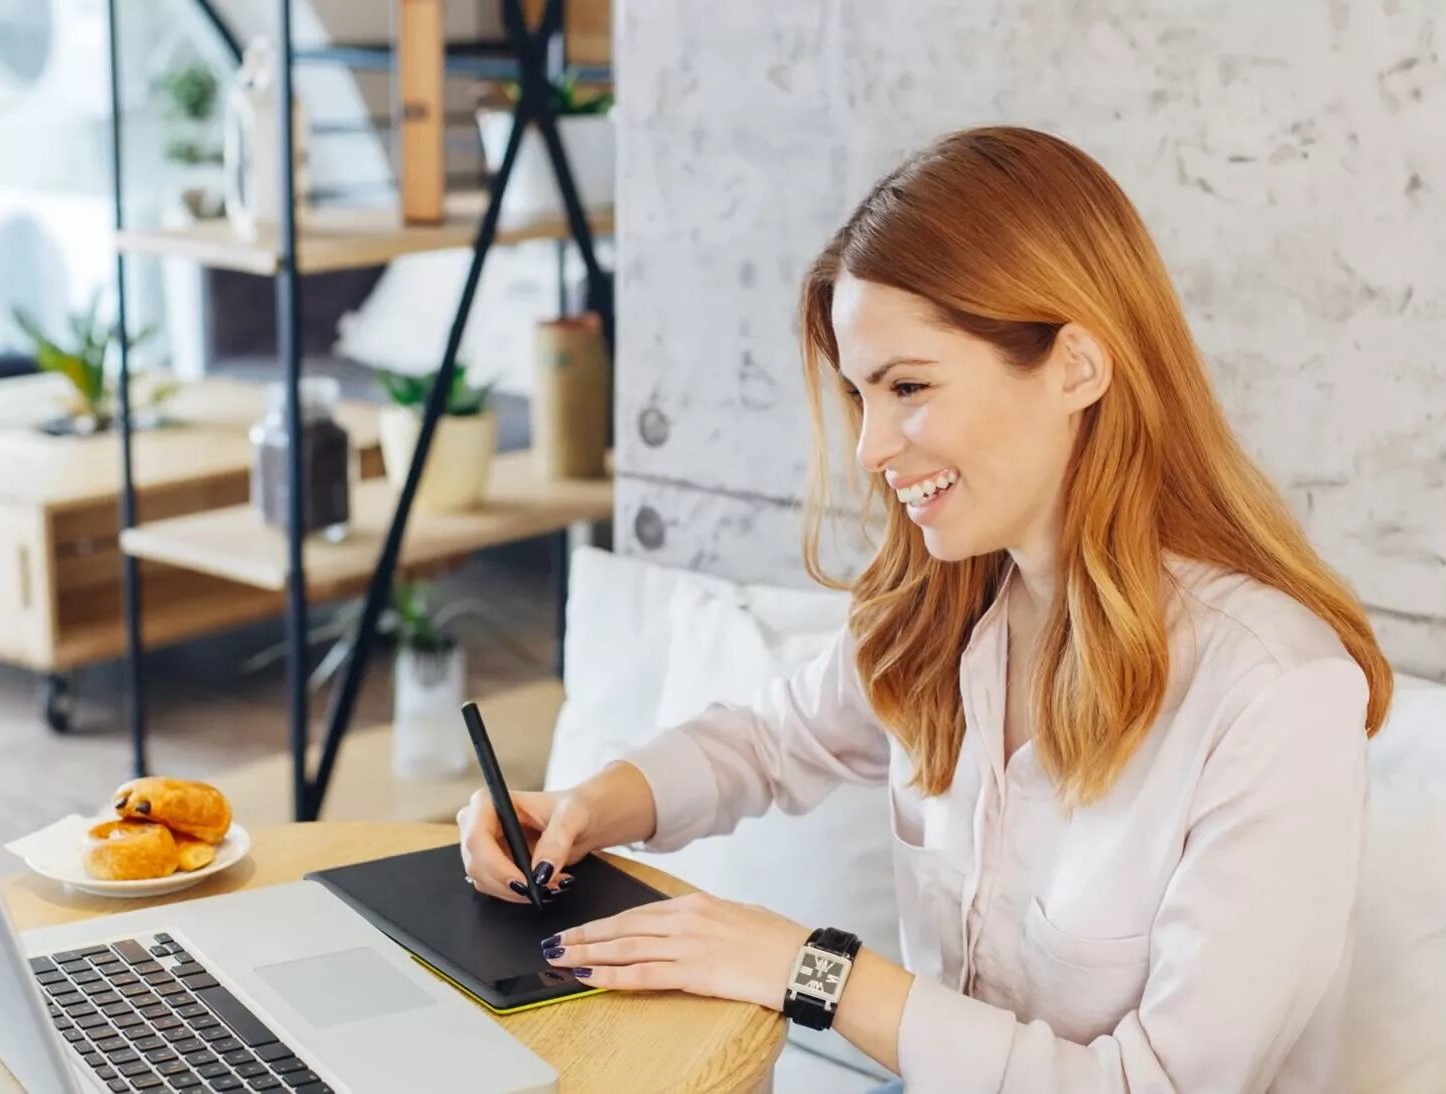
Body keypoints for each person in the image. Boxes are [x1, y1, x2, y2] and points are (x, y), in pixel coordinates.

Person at [457, 126, 1392, 1092]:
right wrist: (582, 809)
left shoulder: (1276, 694)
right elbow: (770, 741)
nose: (868, 448)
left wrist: (807, 970)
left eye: (909, 387)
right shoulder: (954, 608)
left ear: (1077, 367)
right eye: (862, 395)